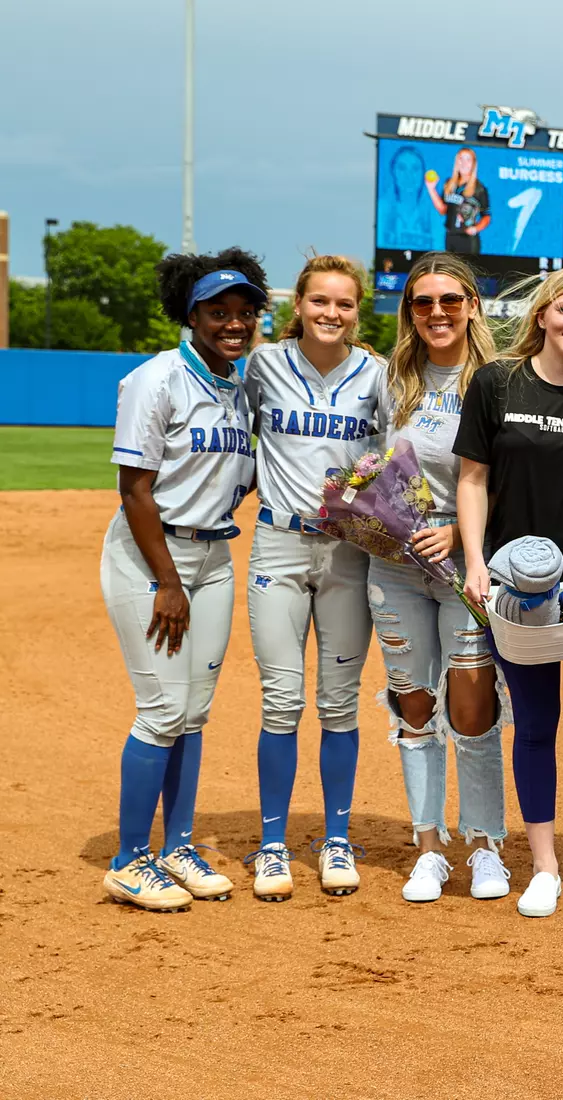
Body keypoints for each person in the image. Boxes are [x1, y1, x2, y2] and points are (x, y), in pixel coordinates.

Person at [454, 267, 563, 919]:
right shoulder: (496, 382)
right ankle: (545, 866)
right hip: (515, 588)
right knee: (534, 725)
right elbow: (473, 479)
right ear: (541, 315)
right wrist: (475, 562)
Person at [99, 248, 265, 910]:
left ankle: (178, 845)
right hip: (150, 557)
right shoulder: (156, 380)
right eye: (217, 311)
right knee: (162, 709)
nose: (233, 322)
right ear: (189, 313)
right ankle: (129, 859)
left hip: (214, 559)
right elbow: (135, 490)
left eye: (245, 312)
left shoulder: (244, 387)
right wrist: (166, 580)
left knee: (193, 713)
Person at [369, 252, 511, 903]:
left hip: (468, 567)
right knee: (415, 705)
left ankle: (485, 845)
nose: (436, 313)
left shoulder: (502, 381)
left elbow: (516, 482)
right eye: (422, 303)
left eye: (449, 300)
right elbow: (368, 468)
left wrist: (458, 530)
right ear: (410, 312)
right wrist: (377, 513)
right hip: (394, 570)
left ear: (472, 305)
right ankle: (428, 847)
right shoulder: (390, 381)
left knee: (473, 706)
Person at [241, 255, 383, 901]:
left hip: (348, 551)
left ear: (358, 312)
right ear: (297, 304)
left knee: (338, 702)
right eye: (320, 301)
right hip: (278, 544)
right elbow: (235, 437)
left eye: (344, 304)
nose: (331, 313)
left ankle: (336, 839)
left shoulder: (377, 374)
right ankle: (273, 845)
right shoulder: (264, 365)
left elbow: (391, 454)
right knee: (281, 700)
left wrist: (357, 490)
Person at [425, 147, 490, 254]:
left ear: (473, 164)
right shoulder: (450, 184)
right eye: (461, 159)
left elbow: (486, 216)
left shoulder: (479, 188)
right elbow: (442, 210)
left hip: (467, 239)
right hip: (450, 235)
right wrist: (431, 189)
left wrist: (476, 228)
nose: (464, 163)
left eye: (468, 160)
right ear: (456, 162)